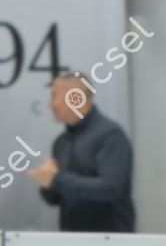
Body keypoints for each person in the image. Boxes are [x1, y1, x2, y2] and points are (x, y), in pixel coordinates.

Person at [28, 73, 135, 232]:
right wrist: (47, 184)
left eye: (54, 96)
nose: (50, 104)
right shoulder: (61, 142)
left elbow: (110, 188)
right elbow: (55, 199)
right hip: (72, 240)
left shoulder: (110, 135)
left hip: (110, 241)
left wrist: (56, 180)